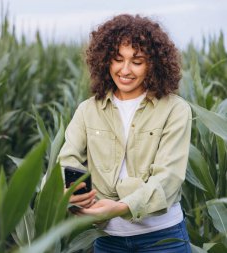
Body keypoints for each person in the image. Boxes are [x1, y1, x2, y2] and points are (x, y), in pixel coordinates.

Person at [58, 14, 192, 252]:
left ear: (153, 64)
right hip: (107, 238)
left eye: (137, 61)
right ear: (105, 60)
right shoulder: (88, 110)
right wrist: (70, 191)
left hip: (162, 237)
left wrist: (121, 208)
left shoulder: (175, 109)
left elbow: (169, 178)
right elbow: (67, 159)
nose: (125, 70)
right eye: (118, 59)